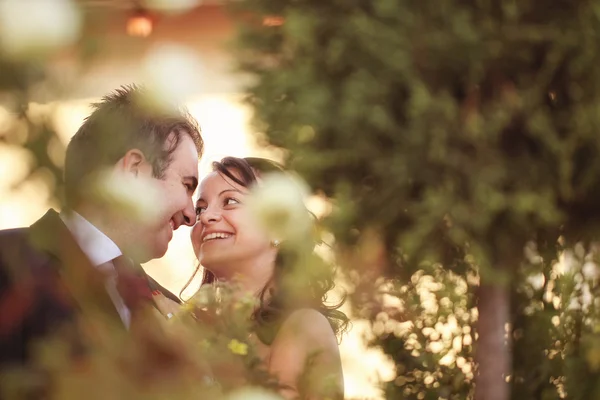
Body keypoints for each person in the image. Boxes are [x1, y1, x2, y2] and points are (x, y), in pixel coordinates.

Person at [0, 85, 203, 373]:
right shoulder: (8, 261)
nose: (191, 215)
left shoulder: (167, 308)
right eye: (186, 185)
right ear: (134, 169)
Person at [189, 156, 349, 399]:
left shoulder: (303, 326)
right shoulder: (192, 332)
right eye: (200, 208)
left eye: (230, 201)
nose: (205, 216)